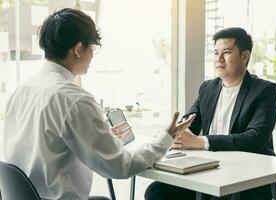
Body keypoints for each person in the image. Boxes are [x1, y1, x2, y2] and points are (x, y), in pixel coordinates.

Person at [3, 8, 196, 200]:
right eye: (92, 48)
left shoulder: (21, 90)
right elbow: (120, 167)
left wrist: (98, 137)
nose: (92, 55)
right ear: (79, 49)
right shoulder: (74, 99)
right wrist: (166, 138)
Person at [145, 27, 276, 200]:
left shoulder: (265, 91)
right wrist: (176, 134)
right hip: (210, 170)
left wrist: (200, 142)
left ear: (245, 56)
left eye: (226, 52)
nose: (219, 59)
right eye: (215, 53)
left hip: (247, 175)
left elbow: (255, 138)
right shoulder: (208, 88)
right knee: (156, 192)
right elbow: (189, 124)